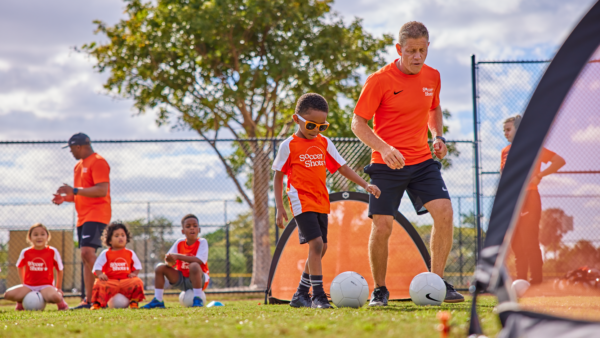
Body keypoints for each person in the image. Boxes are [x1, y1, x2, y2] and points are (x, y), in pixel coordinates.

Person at [351, 21, 463, 306]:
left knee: (445, 212)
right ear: (399, 49)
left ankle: (435, 283)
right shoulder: (379, 80)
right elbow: (358, 123)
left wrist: (437, 135)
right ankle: (380, 290)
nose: (417, 56)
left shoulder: (433, 76)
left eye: (421, 50)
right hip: (386, 163)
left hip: (422, 161)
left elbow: (434, 108)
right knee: (383, 226)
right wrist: (384, 148)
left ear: (427, 48)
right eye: (411, 51)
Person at [273, 93, 381, 309]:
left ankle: (300, 294)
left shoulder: (324, 143)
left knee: (322, 248)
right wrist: (279, 207)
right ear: (297, 120)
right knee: (316, 244)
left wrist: (365, 185)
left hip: (321, 200)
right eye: (311, 125)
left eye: (322, 126)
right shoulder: (289, 145)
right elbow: (277, 176)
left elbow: (342, 167)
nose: (316, 130)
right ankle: (318, 297)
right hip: (301, 200)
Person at [501, 115, 565, 285]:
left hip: (529, 197)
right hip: (511, 201)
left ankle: (536, 282)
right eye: (504, 131)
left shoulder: (533, 148)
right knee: (516, 243)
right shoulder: (505, 152)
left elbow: (559, 161)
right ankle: (520, 281)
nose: (505, 133)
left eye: (508, 129)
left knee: (530, 241)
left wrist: (540, 175)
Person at [52, 133, 111, 309]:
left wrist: (74, 191)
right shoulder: (78, 166)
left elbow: (101, 190)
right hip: (83, 217)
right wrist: (67, 198)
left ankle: (105, 293)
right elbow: (82, 193)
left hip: (97, 214)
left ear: (78, 146)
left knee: (87, 253)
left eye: (71, 148)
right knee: (85, 257)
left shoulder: (98, 161)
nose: (70, 152)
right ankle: (90, 300)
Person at [142, 214, 209, 309]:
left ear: (199, 229)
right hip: (182, 280)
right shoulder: (179, 243)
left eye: (195, 226)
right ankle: (158, 300)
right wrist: (170, 262)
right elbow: (169, 261)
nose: (192, 228)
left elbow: (199, 260)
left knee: (194, 265)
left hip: (199, 280)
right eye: (188, 226)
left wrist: (177, 256)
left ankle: (198, 298)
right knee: (160, 267)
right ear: (183, 231)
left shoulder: (202, 242)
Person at [4, 223, 69, 311]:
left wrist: (59, 288)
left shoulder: (53, 251)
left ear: (47, 237)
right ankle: (20, 301)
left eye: (42, 234)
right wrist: (24, 284)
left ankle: (62, 304)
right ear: (30, 237)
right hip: (29, 286)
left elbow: (60, 269)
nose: (39, 237)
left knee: (56, 297)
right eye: (35, 234)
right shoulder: (25, 252)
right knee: (7, 295)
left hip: (46, 286)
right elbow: (19, 267)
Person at [91, 222, 145, 310]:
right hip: (110, 281)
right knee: (98, 283)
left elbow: (137, 266)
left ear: (126, 238)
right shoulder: (105, 253)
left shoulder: (130, 253)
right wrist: (100, 274)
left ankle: (134, 302)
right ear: (109, 240)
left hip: (125, 281)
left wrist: (134, 274)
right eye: (116, 236)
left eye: (123, 235)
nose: (120, 237)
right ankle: (97, 304)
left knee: (137, 281)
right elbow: (97, 267)